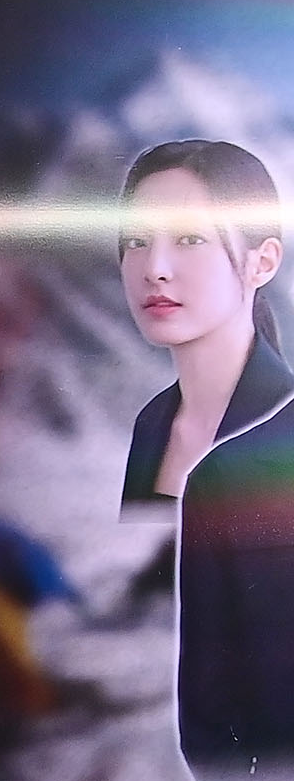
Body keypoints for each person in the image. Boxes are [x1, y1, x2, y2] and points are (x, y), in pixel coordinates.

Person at [118, 139, 292, 509]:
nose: (155, 269)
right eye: (136, 241)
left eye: (190, 239)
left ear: (262, 263)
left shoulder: (285, 428)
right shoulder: (152, 424)